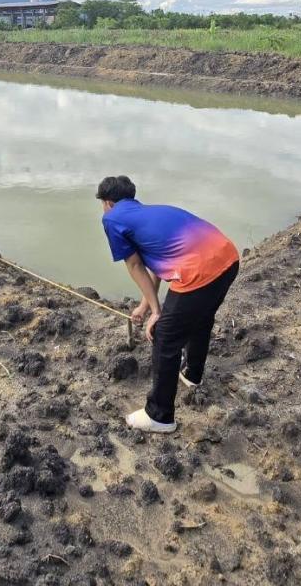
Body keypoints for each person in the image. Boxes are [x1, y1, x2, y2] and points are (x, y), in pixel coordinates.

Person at [97, 175, 240, 433]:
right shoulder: (148, 213)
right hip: (228, 258)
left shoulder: (112, 218)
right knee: (201, 318)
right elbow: (160, 265)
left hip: (200, 270)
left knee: (164, 335)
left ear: (107, 202)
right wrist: (146, 306)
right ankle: (193, 375)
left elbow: (135, 265)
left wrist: (157, 313)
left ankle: (159, 415)